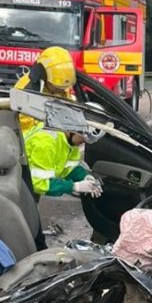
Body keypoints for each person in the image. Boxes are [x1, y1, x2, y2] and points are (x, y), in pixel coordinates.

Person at [14, 47, 101, 198]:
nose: (82, 143)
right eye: (83, 136)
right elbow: (38, 183)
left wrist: (83, 176)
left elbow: (67, 166)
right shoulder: (27, 93)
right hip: (24, 159)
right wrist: (73, 186)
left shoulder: (68, 140)